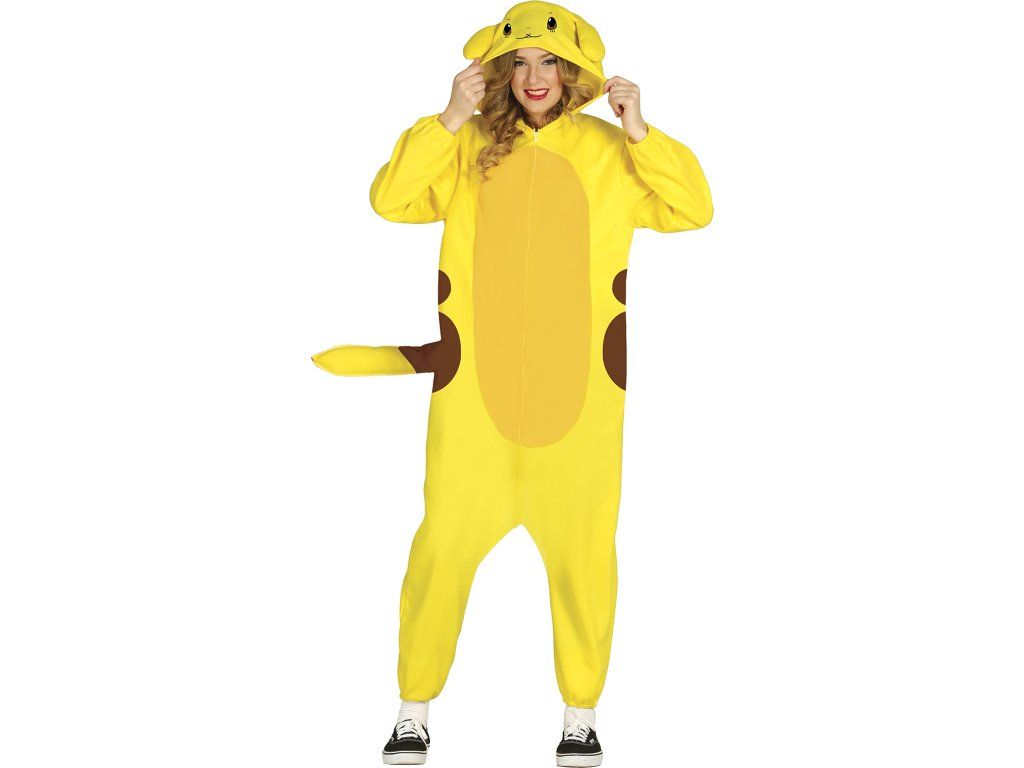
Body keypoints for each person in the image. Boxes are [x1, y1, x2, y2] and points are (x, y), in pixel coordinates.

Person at [311, 2, 713, 765]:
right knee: (441, 549)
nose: (535, 77)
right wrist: (447, 119)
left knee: (584, 558)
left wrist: (640, 131)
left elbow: (693, 208)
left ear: (574, 72)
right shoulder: (468, 147)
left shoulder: (610, 153)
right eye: (521, 62)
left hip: (581, 407)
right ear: (499, 72)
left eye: (550, 62)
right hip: (475, 406)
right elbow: (391, 200)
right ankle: (413, 708)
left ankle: (580, 716)